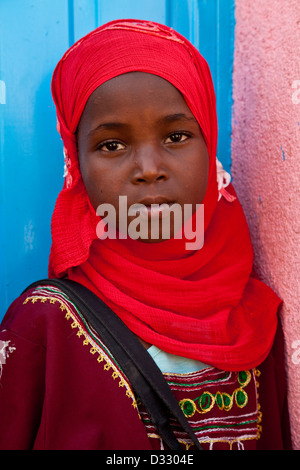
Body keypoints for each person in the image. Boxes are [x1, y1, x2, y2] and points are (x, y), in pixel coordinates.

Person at [0, 19, 291, 450]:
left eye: (176, 136)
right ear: (76, 164)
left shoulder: (252, 319)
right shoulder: (43, 327)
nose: (149, 168)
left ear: (208, 144)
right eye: (112, 145)